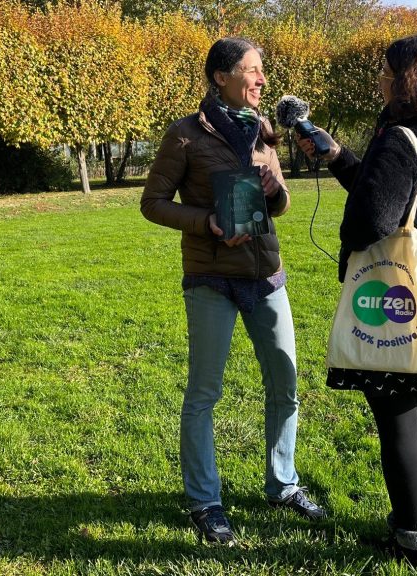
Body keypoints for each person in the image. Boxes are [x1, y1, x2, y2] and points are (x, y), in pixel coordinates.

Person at [298, 32, 417, 567]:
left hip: (396, 297)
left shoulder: (401, 136)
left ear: (410, 80)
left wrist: (347, 237)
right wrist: (339, 158)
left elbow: (373, 217)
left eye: (387, 71)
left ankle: (414, 538)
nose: (381, 78)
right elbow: (399, 200)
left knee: (397, 420)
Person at [141, 36, 325, 546]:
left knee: (285, 382)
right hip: (211, 277)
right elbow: (152, 203)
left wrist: (276, 192)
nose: (262, 79)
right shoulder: (183, 135)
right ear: (221, 76)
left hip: (265, 274)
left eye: (262, 70)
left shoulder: (264, 132)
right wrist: (208, 222)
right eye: (252, 70)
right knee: (205, 392)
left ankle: (283, 485)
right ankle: (205, 501)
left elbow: (280, 204)